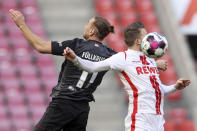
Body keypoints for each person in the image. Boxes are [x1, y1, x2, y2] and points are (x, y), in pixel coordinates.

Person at [9, 9, 167, 131]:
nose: (85, 26)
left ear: (92, 31)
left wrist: (21, 24)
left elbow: (40, 46)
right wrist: (156, 64)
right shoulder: (110, 54)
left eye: (88, 24)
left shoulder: (77, 44)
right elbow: (133, 60)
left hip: (64, 101)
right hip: (82, 109)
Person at [63, 22, 191, 131]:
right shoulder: (122, 58)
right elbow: (93, 67)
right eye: (146, 36)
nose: (150, 38)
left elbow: (156, 89)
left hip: (158, 120)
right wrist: (75, 59)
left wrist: (175, 87)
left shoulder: (150, 59)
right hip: (140, 121)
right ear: (138, 41)